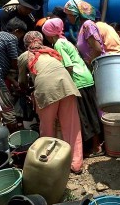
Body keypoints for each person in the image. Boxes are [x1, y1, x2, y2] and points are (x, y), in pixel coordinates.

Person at [18, 31, 83, 174]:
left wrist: (26, 91)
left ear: (26, 44)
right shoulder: (51, 52)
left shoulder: (24, 56)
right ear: (41, 41)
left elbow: (22, 81)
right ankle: (76, 164)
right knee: (71, 126)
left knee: (47, 128)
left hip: (47, 89)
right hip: (66, 85)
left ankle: (49, 164)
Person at [42, 18, 104, 157]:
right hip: (87, 78)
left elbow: (68, 66)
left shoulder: (58, 44)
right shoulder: (65, 41)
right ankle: (97, 144)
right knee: (92, 112)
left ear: (50, 34)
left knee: (85, 116)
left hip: (78, 81)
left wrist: (64, 84)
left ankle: (95, 147)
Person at [63, 0, 105, 67]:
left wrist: (90, 64)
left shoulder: (88, 25)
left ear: (77, 14)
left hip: (98, 67)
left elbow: (97, 49)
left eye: (70, 15)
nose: (68, 18)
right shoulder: (81, 28)